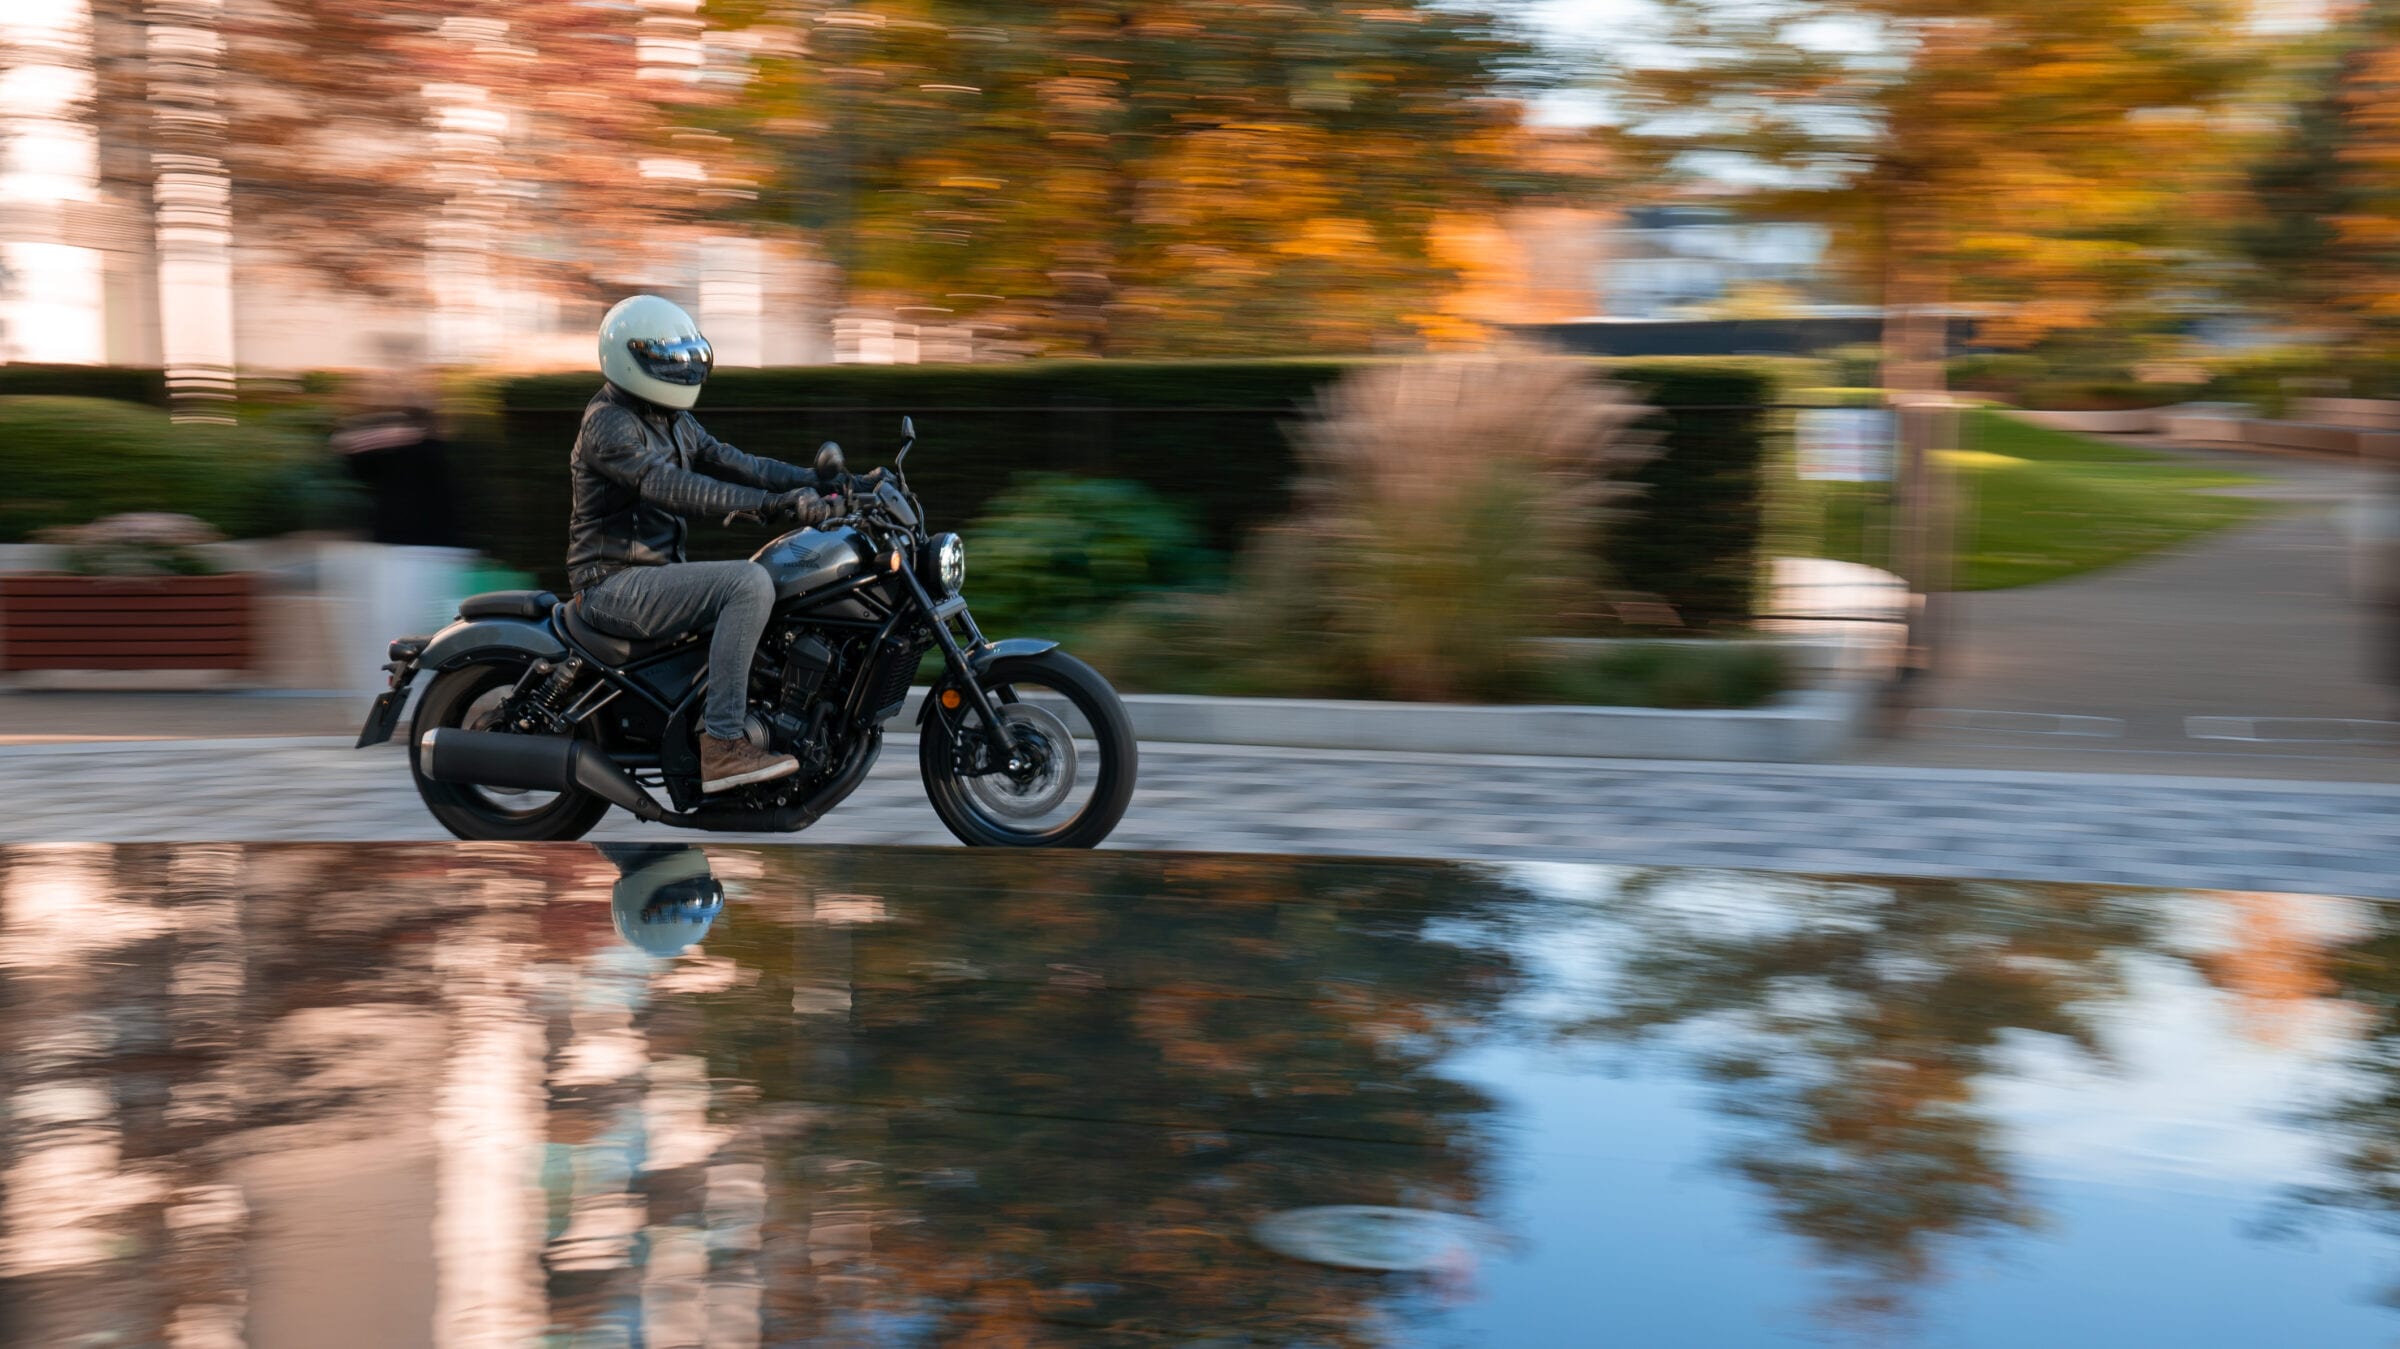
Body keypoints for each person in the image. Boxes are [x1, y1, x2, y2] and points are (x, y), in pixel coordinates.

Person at [567, 294, 836, 794]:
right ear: (630, 359)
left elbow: (737, 462)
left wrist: (828, 485)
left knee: (780, 586)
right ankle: (723, 745)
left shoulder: (670, 419)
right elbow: (669, 486)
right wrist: (771, 506)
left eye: (686, 356)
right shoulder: (609, 421)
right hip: (612, 585)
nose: (680, 368)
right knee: (748, 582)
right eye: (667, 358)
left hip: (654, 577)